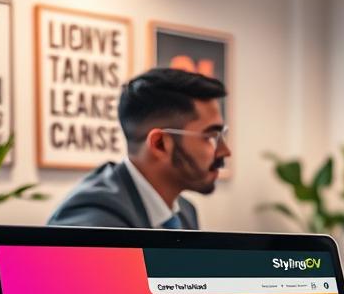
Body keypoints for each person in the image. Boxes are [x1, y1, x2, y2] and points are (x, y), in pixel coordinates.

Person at [47, 68, 230, 229]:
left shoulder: (184, 212)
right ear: (160, 144)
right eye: (211, 137)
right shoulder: (93, 225)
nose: (225, 151)